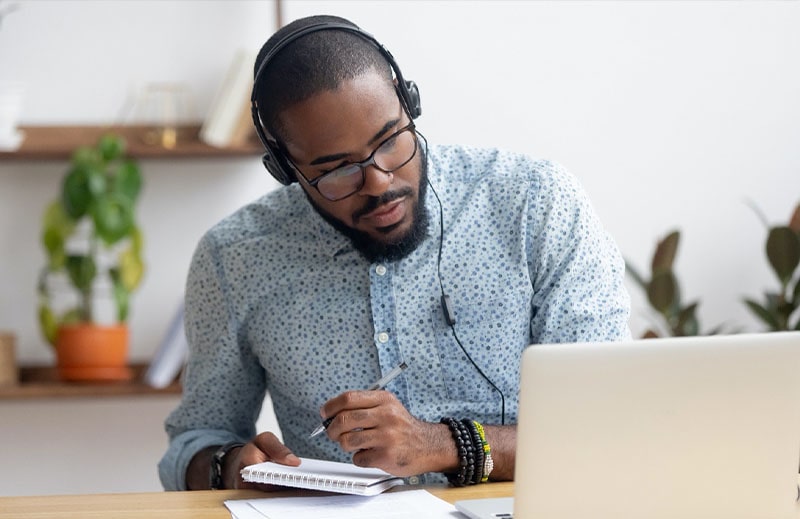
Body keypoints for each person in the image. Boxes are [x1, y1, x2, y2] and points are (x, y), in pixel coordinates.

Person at [158, 14, 630, 491]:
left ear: (410, 104)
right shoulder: (234, 258)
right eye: (337, 170)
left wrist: (441, 445)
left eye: (389, 141)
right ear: (285, 169)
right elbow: (194, 443)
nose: (379, 182)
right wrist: (229, 465)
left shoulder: (536, 204)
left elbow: (610, 427)